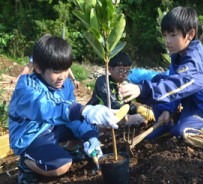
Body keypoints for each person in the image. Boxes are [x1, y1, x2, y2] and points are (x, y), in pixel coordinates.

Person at [8, 34, 119, 184]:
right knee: (61, 165)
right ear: (38, 68)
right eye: (56, 71)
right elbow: (46, 107)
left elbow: (71, 115)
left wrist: (90, 136)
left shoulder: (65, 84)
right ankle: (26, 164)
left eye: (66, 69)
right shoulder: (26, 87)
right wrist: (82, 110)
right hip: (31, 135)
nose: (62, 76)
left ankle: (71, 149)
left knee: (90, 125)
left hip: (54, 127)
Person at [118, 6, 203, 139]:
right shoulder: (179, 55)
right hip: (191, 96)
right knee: (159, 79)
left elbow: (178, 85)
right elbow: (174, 82)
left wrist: (142, 89)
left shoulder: (194, 62)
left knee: (181, 133)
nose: (167, 41)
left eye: (173, 35)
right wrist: (167, 109)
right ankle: (165, 122)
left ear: (190, 35)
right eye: (165, 35)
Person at [87, 52, 155, 126]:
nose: (125, 74)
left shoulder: (127, 82)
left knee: (143, 118)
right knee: (138, 119)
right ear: (110, 69)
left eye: (128, 70)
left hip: (117, 116)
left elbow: (128, 102)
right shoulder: (103, 81)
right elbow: (112, 104)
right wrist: (137, 109)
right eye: (121, 70)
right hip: (98, 116)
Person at [12, 56, 80, 88]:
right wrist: (18, 78)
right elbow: (28, 66)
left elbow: (67, 68)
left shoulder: (66, 87)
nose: (61, 76)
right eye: (56, 71)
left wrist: (74, 79)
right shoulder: (32, 88)